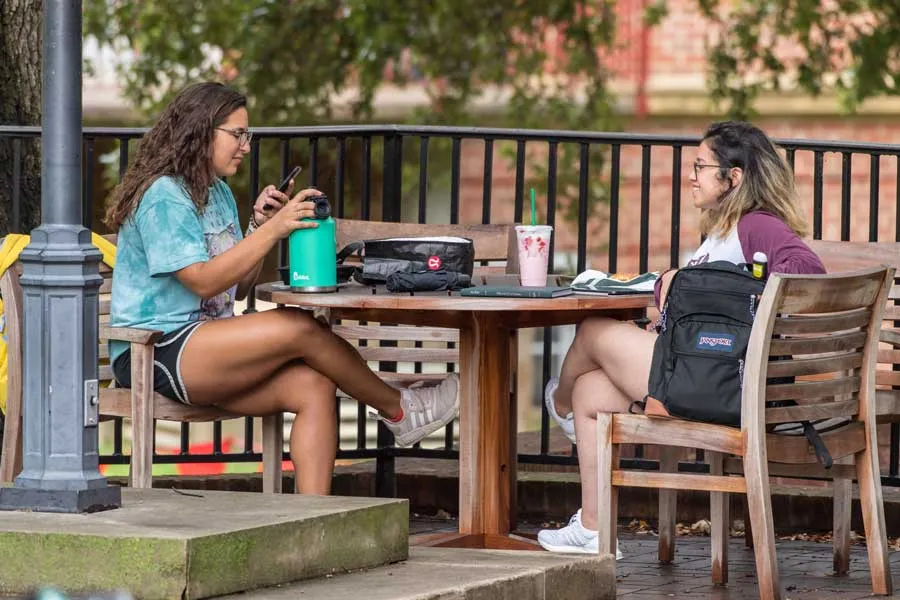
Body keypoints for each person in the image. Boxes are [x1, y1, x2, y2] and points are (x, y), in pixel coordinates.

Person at [105, 82, 459, 494]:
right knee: (298, 326)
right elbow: (202, 280)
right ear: (200, 132)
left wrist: (258, 228)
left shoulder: (216, 191)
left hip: (203, 345)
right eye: (237, 135)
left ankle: (310, 524)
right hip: (155, 349)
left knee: (315, 386)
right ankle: (400, 411)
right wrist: (274, 228)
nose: (245, 146)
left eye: (246, 135)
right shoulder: (164, 195)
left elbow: (236, 289)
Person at [537, 121, 826, 555]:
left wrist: (728, 284)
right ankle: (594, 528)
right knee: (591, 393)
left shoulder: (757, 226)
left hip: (719, 381)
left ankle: (556, 405)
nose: (691, 175)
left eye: (700, 166)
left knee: (594, 329)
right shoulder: (723, 230)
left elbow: (807, 271)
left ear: (734, 178)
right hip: (701, 370)